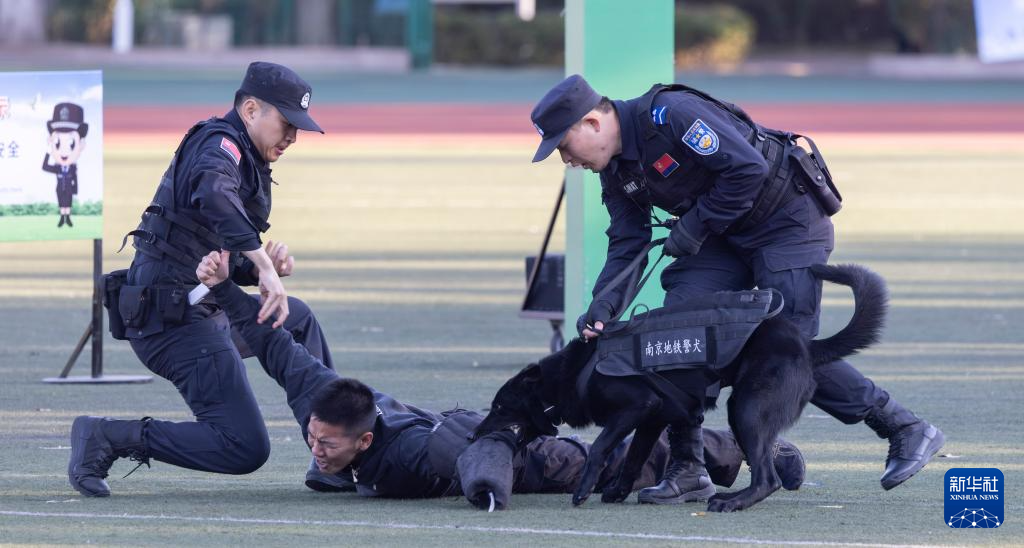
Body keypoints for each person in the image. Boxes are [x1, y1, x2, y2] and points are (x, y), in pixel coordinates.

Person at [528, 74, 944, 502]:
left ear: (592, 124)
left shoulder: (671, 114)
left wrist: (693, 225)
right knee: (681, 331)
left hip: (785, 220)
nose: (566, 159)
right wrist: (604, 306)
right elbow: (627, 241)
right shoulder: (616, 171)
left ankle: (903, 426)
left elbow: (748, 169)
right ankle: (688, 467)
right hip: (721, 236)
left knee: (785, 350)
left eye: (563, 145)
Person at [188, 250, 806, 501]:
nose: (314, 446)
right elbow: (274, 345)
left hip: (515, 456)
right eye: (313, 439)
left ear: (366, 441)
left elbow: (463, 447)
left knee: (614, 463)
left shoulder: (404, 452)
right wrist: (223, 288)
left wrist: (488, 487)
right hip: (473, 434)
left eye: (326, 444)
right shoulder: (326, 402)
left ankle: (764, 457)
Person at [68, 62, 332, 498]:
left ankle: (333, 453)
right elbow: (213, 193)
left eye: (297, 129)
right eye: (286, 123)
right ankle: (106, 436)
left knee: (296, 319)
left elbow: (210, 255)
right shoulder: (220, 145)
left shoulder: (248, 156)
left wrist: (259, 266)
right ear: (250, 110)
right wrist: (262, 266)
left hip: (203, 310)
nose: (291, 138)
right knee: (243, 446)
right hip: (171, 323)